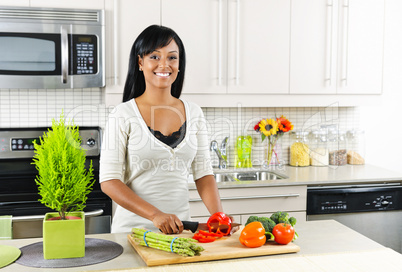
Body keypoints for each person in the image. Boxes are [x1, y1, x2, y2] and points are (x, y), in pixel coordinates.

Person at [99, 25, 233, 234]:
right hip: (132, 233)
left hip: (180, 232)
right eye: (154, 56)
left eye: (172, 57)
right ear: (140, 62)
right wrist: (155, 215)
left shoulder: (194, 112)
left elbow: (204, 174)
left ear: (179, 65)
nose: (164, 64)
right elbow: (109, 182)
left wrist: (219, 217)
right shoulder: (122, 114)